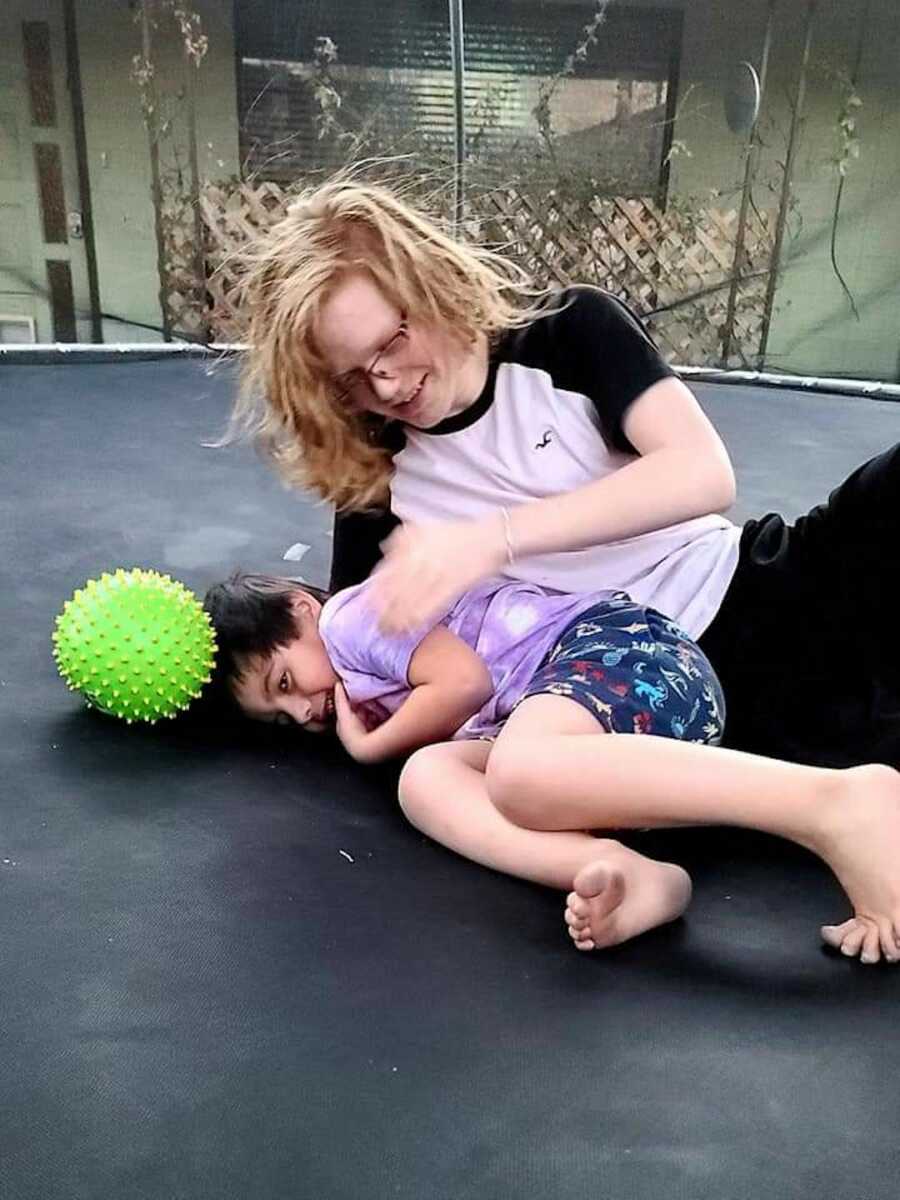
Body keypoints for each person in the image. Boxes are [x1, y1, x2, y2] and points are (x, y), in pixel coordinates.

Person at [223, 173, 900, 960]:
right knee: (442, 778)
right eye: (349, 377)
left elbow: (702, 474)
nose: (386, 384)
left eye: (392, 342)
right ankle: (730, 835)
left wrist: (494, 539)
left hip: (754, 597)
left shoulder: (566, 332)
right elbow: (361, 659)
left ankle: (845, 794)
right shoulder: (375, 476)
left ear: (430, 281)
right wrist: (233, 661)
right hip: (608, 717)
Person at [203, 571, 900, 965]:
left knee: (514, 770)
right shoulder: (360, 677)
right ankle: (621, 871)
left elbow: (465, 684)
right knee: (428, 781)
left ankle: (831, 802)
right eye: (278, 718)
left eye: (284, 683)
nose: (299, 715)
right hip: (592, 731)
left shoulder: (353, 619)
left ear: (302, 610)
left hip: (627, 655)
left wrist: (368, 745)